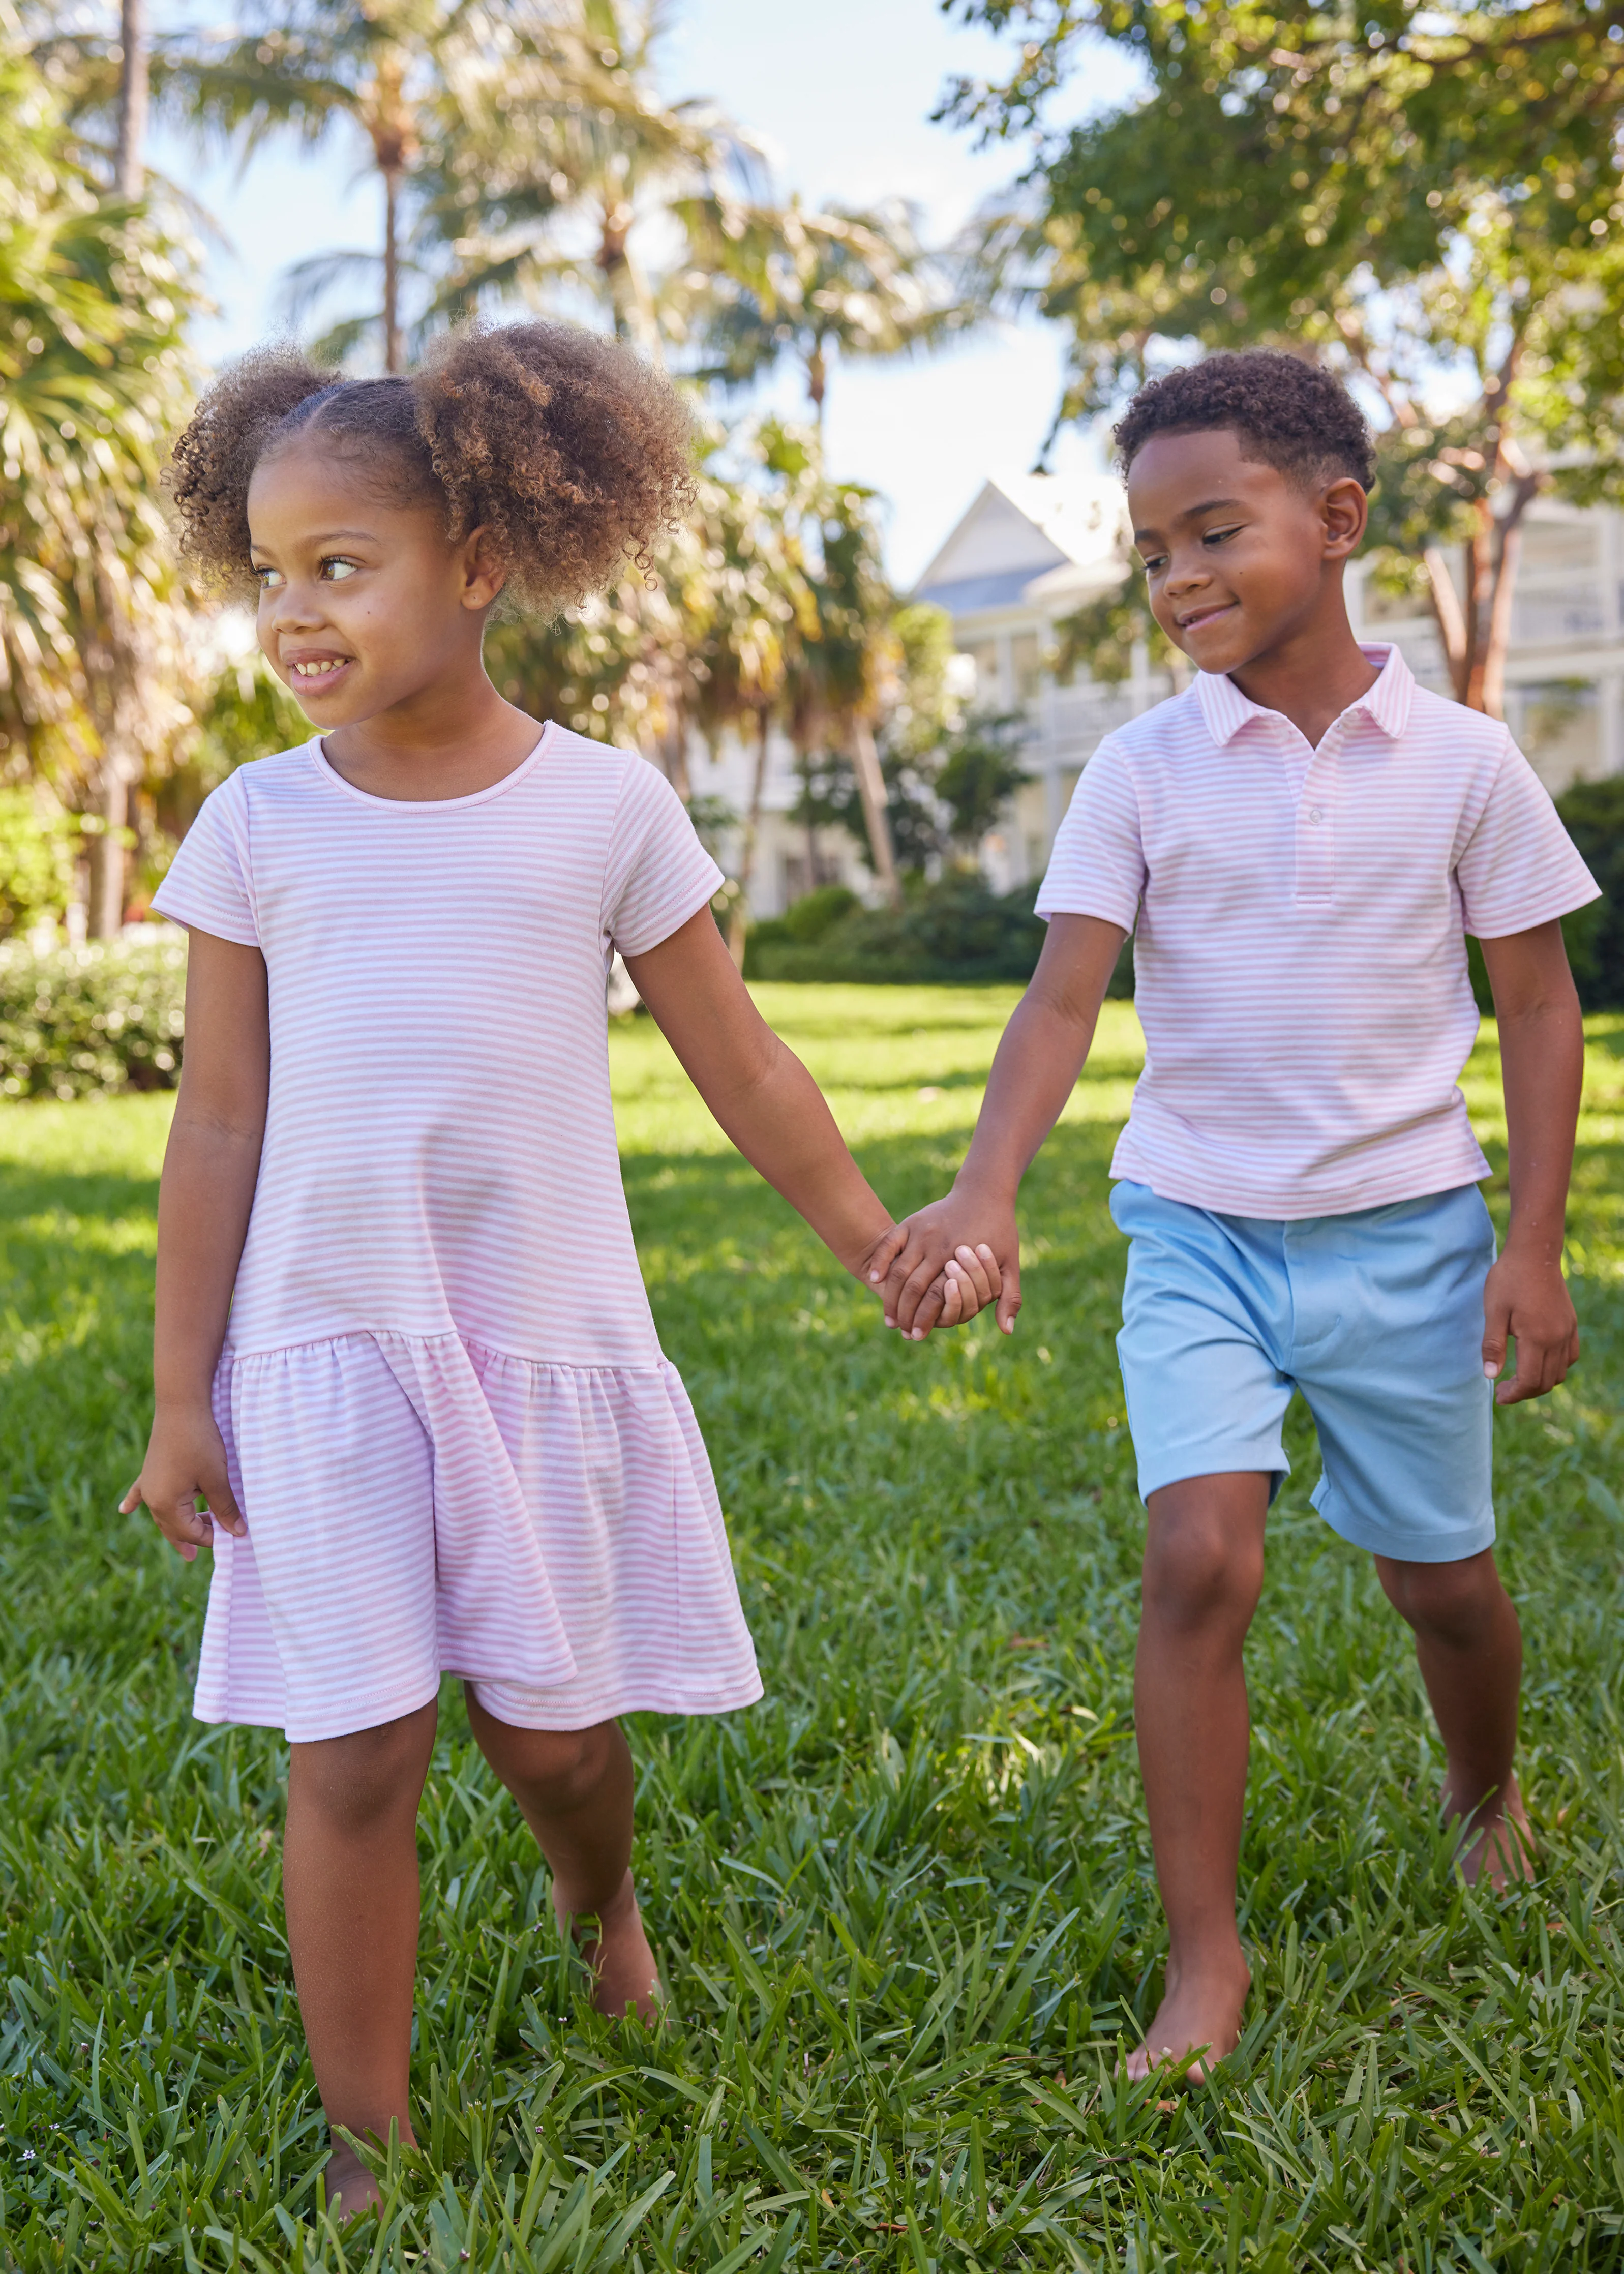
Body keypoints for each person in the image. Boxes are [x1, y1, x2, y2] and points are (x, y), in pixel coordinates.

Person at [122, 325, 990, 2216]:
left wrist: (873, 1239)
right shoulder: (257, 824)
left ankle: (605, 1909)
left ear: (484, 563)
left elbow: (739, 1058)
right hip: (327, 1348)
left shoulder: (604, 805)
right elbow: (213, 1127)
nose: (294, 611)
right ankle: (369, 2143)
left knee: (555, 1732)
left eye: (340, 566)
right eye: (270, 573)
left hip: (538, 1336)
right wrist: (185, 1394)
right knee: (351, 1747)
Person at [870, 349, 1597, 2080]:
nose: (1180, 578)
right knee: (1198, 1559)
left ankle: (1483, 1788)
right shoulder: (1139, 770)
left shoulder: (1468, 764)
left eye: (1214, 533)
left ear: (1338, 520)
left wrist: (1535, 1242)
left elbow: (1545, 1006)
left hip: (1408, 1233)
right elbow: (1062, 1004)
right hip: (1196, 1227)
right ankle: (1209, 1963)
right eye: (1150, 553)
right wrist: (989, 1184)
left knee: (1448, 1589)